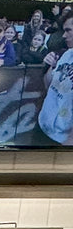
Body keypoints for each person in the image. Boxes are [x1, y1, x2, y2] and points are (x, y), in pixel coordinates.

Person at [38, 12, 73, 145]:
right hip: (43, 126)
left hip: (63, 140)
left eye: (68, 30)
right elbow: (48, 86)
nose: (64, 36)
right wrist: (51, 67)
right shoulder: (66, 54)